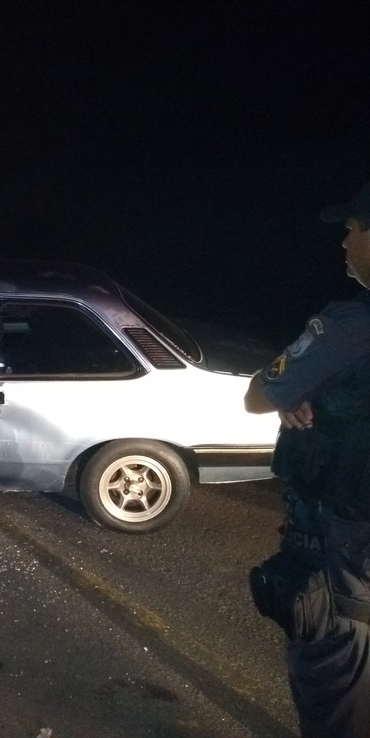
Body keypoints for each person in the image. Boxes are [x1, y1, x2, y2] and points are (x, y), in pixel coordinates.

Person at [244, 180, 370, 738]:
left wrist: (296, 394)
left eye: (352, 229)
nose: (344, 243)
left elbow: (256, 393)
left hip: (347, 572)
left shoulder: (353, 326)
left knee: (336, 709)